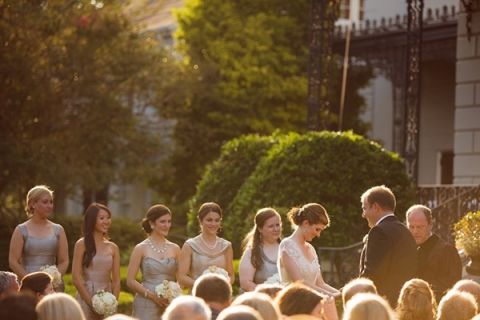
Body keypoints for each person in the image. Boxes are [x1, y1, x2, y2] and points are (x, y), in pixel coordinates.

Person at [359, 185, 417, 306]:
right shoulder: (405, 231)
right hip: (403, 303)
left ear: (375, 207)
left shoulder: (379, 231)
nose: (363, 214)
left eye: (364, 208)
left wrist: (350, 292)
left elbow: (372, 274)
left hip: (382, 304)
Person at [9, 185, 69, 291]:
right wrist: (30, 281)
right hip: (28, 286)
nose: (49, 206)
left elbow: (64, 261)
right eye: (45, 202)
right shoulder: (21, 230)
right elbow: (13, 261)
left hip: (53, 286)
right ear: (32, 204)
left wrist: (53, 280)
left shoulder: (58, 230)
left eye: (51, 202)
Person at [127, 204, 181, 320]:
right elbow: (130, 281)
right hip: (145, 304)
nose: (167, 225)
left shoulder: (175, 248)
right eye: (162, 222)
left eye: (169, 221)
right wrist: (153, 297)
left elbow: (181, 278)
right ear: (152, 223)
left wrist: (173, 293)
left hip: (169, 304)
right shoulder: (140, 248)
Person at [278, 203, 339, 296]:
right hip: (293, 301)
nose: (318, 235)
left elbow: (320, 284)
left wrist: (340, 293)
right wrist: (331, 296)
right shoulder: (287, 245)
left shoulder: (311, 249)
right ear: (306, 223)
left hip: (313, 301)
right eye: (317, 229)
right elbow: (299, 283)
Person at [72, 203, 120, 320]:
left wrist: (112, 303)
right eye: (102, 218)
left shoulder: (113, 247)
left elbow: (116, 281)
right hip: (86, 295)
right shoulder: (81, 244)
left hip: (107, 295)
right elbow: (76, 277)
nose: (106, 221)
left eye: (108, 218)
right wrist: (91, 303)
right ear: (92, 220)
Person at [406, 204, 462, 300]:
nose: (415, 231)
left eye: (420, 227)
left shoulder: (447, 251)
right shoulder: (407, 249)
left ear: (430, 225)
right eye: (411, 227)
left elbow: (453, 284)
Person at [178, 202, 234, 289]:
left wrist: (223, 285)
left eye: (217, 220)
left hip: (220, 295)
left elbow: (231, 275)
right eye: (209, 220)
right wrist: (203, 286)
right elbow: (181, 277)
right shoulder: (189, 245)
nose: (213, 224)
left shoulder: (226, 246)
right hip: (197, 295)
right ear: (200, 220)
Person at [239, 208, 282, 291]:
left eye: (277, 225)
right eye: (271, 226)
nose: (276, 229)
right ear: (260, 229)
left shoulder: (287, 248)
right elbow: (245, 283)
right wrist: (269, 294)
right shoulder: (252, 252)